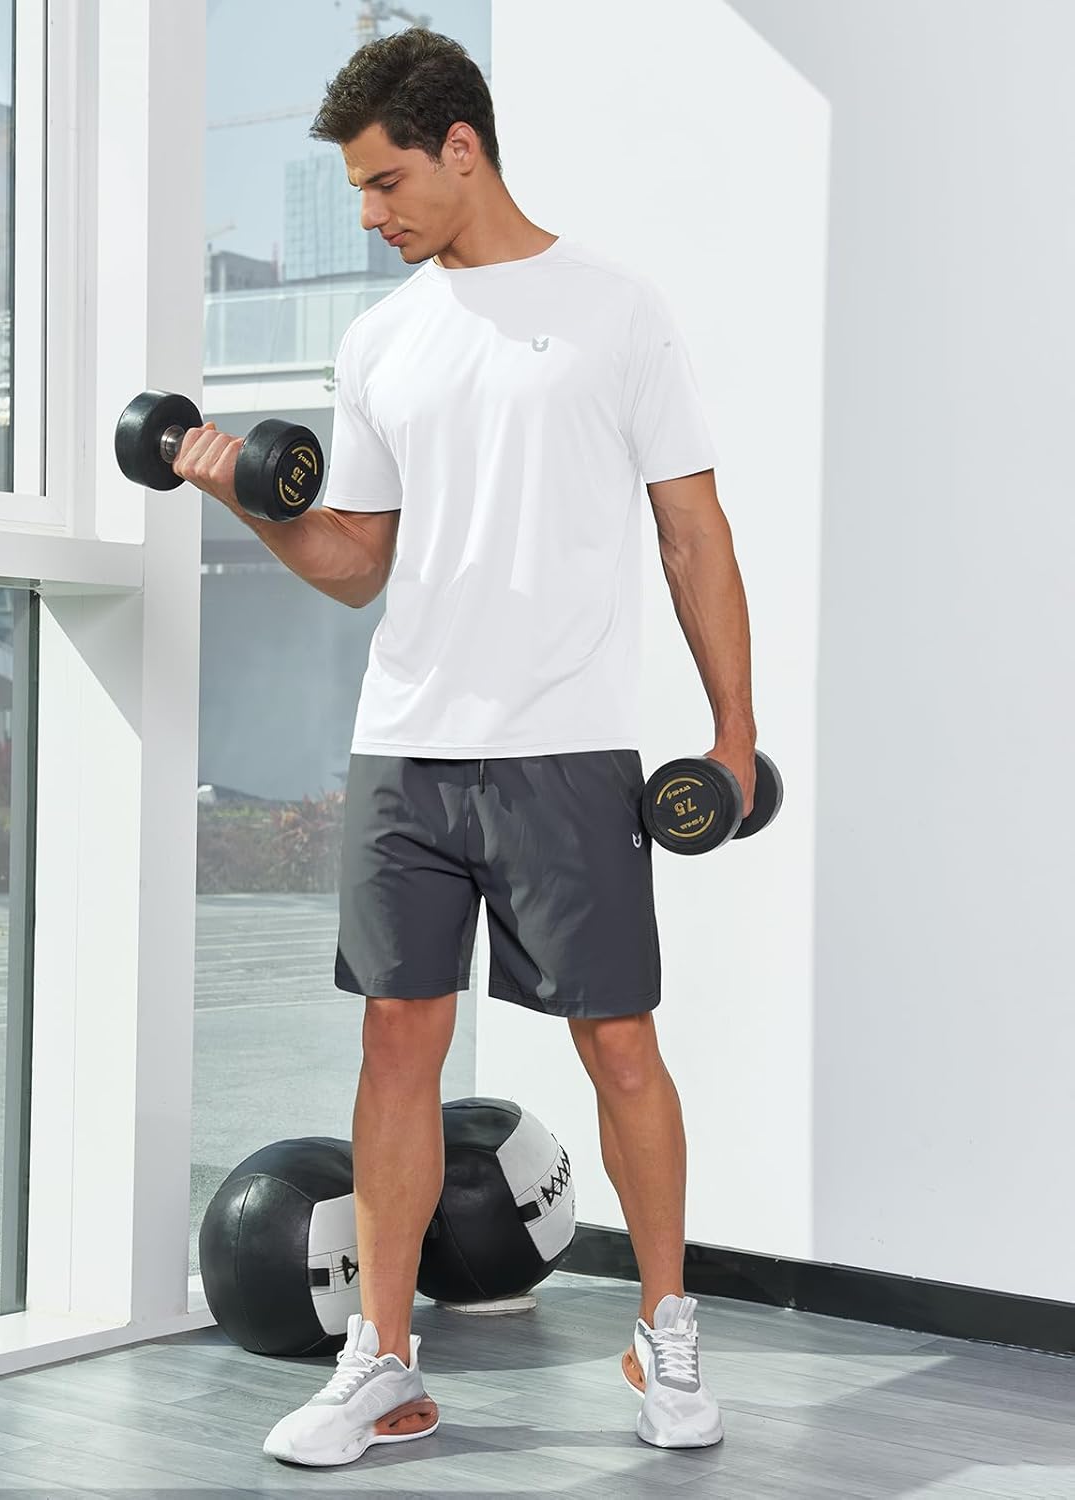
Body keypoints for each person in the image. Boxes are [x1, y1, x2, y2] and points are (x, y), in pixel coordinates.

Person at [177, 27, 756, 1471]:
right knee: (395, 1045)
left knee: (618, 1044)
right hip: (407, 746)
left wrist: (734, 733)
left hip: (566, 746)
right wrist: (242, 493)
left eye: (385, 184)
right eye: (357, 193)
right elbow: (354, 565)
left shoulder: (616, 310)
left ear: (461, 148)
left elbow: (692, 531)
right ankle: (382, 1361)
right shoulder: (381, 341)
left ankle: (665, 1325)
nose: (369, 216)